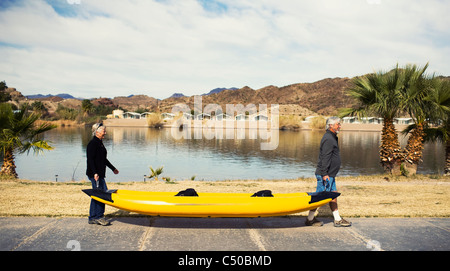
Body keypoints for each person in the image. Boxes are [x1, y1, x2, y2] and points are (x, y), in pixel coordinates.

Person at [305, 116, 351, 227]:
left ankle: (337, 219)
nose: (340, 126)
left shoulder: (332, 137)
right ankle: (310, 219)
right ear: (331, 125)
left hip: (330, 174)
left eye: (339, 124)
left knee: (333, 195)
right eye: (338, 124)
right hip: (325, 174)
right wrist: (325, 173)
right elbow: (325, 157)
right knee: (318, 198)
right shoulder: (328, 139)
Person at [86, 122, 119, 226]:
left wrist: (113, 168)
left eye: (105, 131)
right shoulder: (93, 144)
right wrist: (95, 173)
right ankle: (98, 217)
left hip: (100, 174)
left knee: (97, 194)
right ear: (97, 132)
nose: (105, 132)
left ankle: (93, 217)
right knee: (101, 195)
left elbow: (103, 159)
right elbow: (90, 160)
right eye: (104, 131)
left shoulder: (99, 143)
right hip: (95, 174)